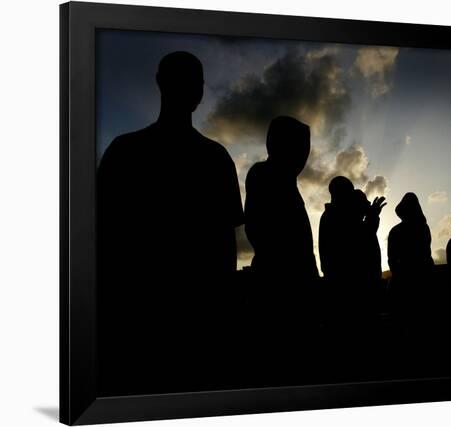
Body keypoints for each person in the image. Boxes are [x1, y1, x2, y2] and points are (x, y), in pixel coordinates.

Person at [97, 51, 244, 394]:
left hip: (171, 322)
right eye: (190, 79)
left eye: (196, 80)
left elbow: (225, 250)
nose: (194, 88)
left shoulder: (126, 151)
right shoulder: (212, 158)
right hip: (144, 321)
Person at [244, 116, 318, 282]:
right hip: (279, 279)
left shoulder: (288, 183)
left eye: (306, 147)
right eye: (299, 145)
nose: (304, 155)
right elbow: (257, 230)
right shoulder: (263, 174)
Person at [387, 192, 434, 312]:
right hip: (409, 283)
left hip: (418, 282)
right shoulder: (422, 228)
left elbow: (392, 260)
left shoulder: (397, 231)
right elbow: (392, 259)